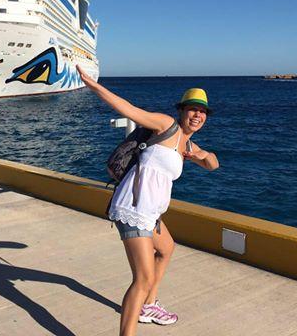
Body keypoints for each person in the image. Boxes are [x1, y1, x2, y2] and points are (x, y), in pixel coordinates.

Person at [76, 65, 219, 336]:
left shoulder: (188, 146)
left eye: (202, 112)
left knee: (166, 249)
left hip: (151, 213)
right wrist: (94, 86)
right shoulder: (166, 126)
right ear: (182, 111)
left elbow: (214, 165)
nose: (197, 115)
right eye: (192, 109)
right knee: (142, 279)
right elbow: (129, 110)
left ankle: (149, 306)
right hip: (133, 207)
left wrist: (204, 156)